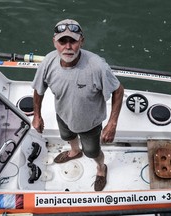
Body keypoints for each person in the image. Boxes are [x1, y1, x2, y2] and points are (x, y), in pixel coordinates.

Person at [32, 19, 124, 191]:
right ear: (54, 42)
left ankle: (101, 169)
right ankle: (74, 151)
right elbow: (38, 89)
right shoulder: (48, 62)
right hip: (63, 115)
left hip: (90, 124)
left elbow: (118, 90)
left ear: (81, 41)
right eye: (62, 41)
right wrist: (37, 115)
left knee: (93, 152)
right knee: (67, 137)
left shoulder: (98, 66)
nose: (68, 47)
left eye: (73, 41)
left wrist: (112, 124)